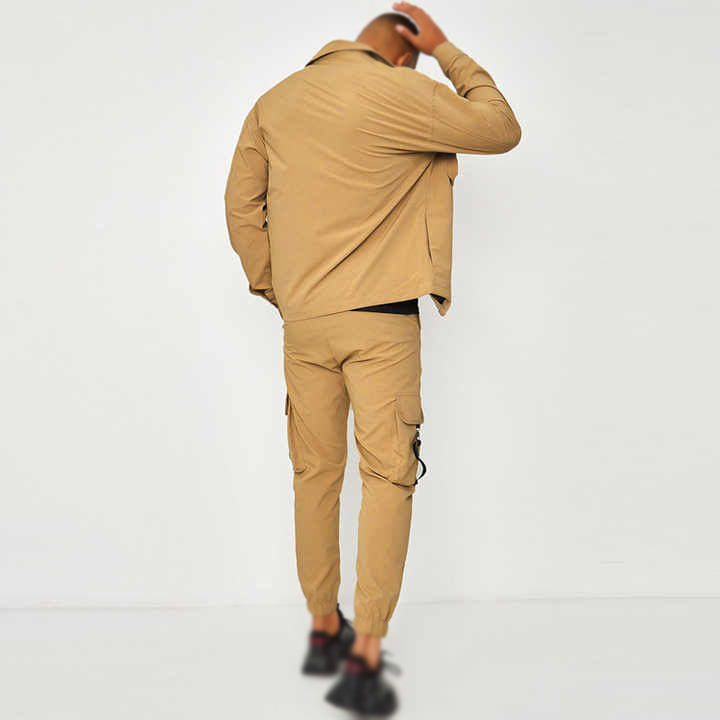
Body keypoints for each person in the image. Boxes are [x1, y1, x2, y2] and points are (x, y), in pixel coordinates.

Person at [224, 2, 521, 714]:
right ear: (404, 53)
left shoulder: (274, 102)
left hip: (305, 325)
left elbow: (240, 208)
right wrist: (446, 51)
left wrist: (281, 291)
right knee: (387, 479)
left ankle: (322, 629)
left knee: (314, 474)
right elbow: (500, 127)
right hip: (381, 323)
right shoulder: (403, 91)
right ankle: (363, 659)